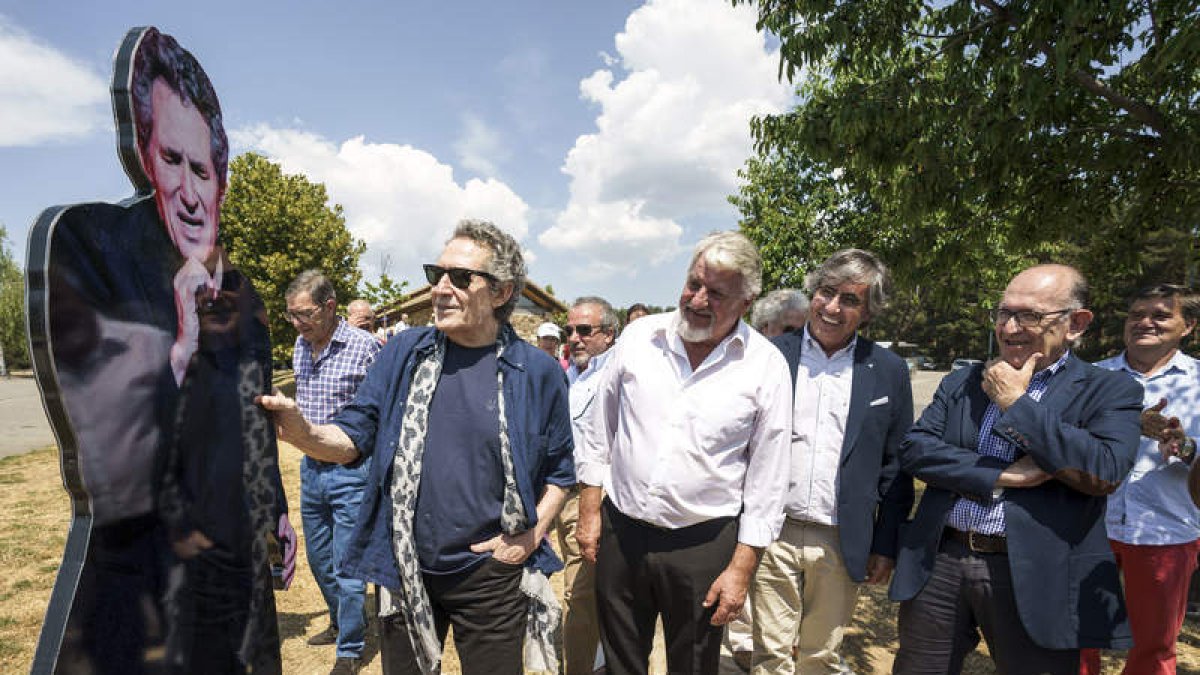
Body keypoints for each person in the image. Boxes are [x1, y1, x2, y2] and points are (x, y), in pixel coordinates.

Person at [42, 27, 293, 673]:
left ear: (221, 178)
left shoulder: (243, 293)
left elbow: (254, 412)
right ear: (145, 156)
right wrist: (179, 345)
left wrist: (278, 512)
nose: (188, 188)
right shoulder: (93, 246)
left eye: (202, 168)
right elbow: (108, 456)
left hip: (236, 570)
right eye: (171, 160)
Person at [259, 220, 574, 675]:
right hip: (404, 569)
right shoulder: (405, 352)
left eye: (460, 277)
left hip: (491, 578)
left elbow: (561, 472)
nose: (440, 289)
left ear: (502, 293)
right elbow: (354, 435)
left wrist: (529, 537)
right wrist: (305, 433)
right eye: (437, 274)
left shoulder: (539, 372)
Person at [890, 264, 1142, 674]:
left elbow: (1104, 470)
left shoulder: (1111, 390)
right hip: (941, 561)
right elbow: (916, 450)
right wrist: (999, 475)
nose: (1009, 328)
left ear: (1076, 324)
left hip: (1035, 574)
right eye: (1003, 313)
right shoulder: (964, 381)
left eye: (1029, 316)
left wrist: (1016, 406)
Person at [575, 231, 793, 674]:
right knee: (620, 661)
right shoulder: (639, 337)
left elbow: (768, 481)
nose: (696, 299)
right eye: (694, 283)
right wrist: (590, 510)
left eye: (716, 293)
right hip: (623, 533)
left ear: (746, 302)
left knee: (694, 664)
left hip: (704, 544)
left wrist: (741, 569)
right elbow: (600, 431)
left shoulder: (766, 366)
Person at [750, 250, 913, 673]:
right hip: (772, 531)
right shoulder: (770, 355)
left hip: (842, 537)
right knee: (768, 653)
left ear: (868, 311)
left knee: (820, 656)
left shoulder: (887, 370)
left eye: (850, 299)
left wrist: (885, 542)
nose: (833, 307)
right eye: (826, 293)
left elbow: (896, 464)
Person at [1078, 284, 1200, 675]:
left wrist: (1184, 447)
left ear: (1189, 326)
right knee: (1076, 636)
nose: (1144, 322)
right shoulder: (1091, 377)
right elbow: (1062, 440)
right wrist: (1130, 423)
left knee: (1155, 645)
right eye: (1136, 315)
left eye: (1161, 315)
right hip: (1088, 525)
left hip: (1165, 530)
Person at [287, 271, 381, 674]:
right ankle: (341, 619)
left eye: (304, 314)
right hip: (311, 469)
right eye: (291, 315)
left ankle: (351, 648)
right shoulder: (298, 345)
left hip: (352, 471)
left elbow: (382, 408)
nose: (297, 323)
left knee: (347, 563)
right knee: (320, 559)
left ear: (329, 307)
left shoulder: (365, 347)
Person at [554, 296, 620, 674]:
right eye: (569, 331)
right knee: (582, 593)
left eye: (584, 330)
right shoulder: (572, 375)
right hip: (569, 495)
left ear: (609, 334)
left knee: (581, 594)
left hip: (602, 497)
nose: (574, 338)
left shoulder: (618, 373)